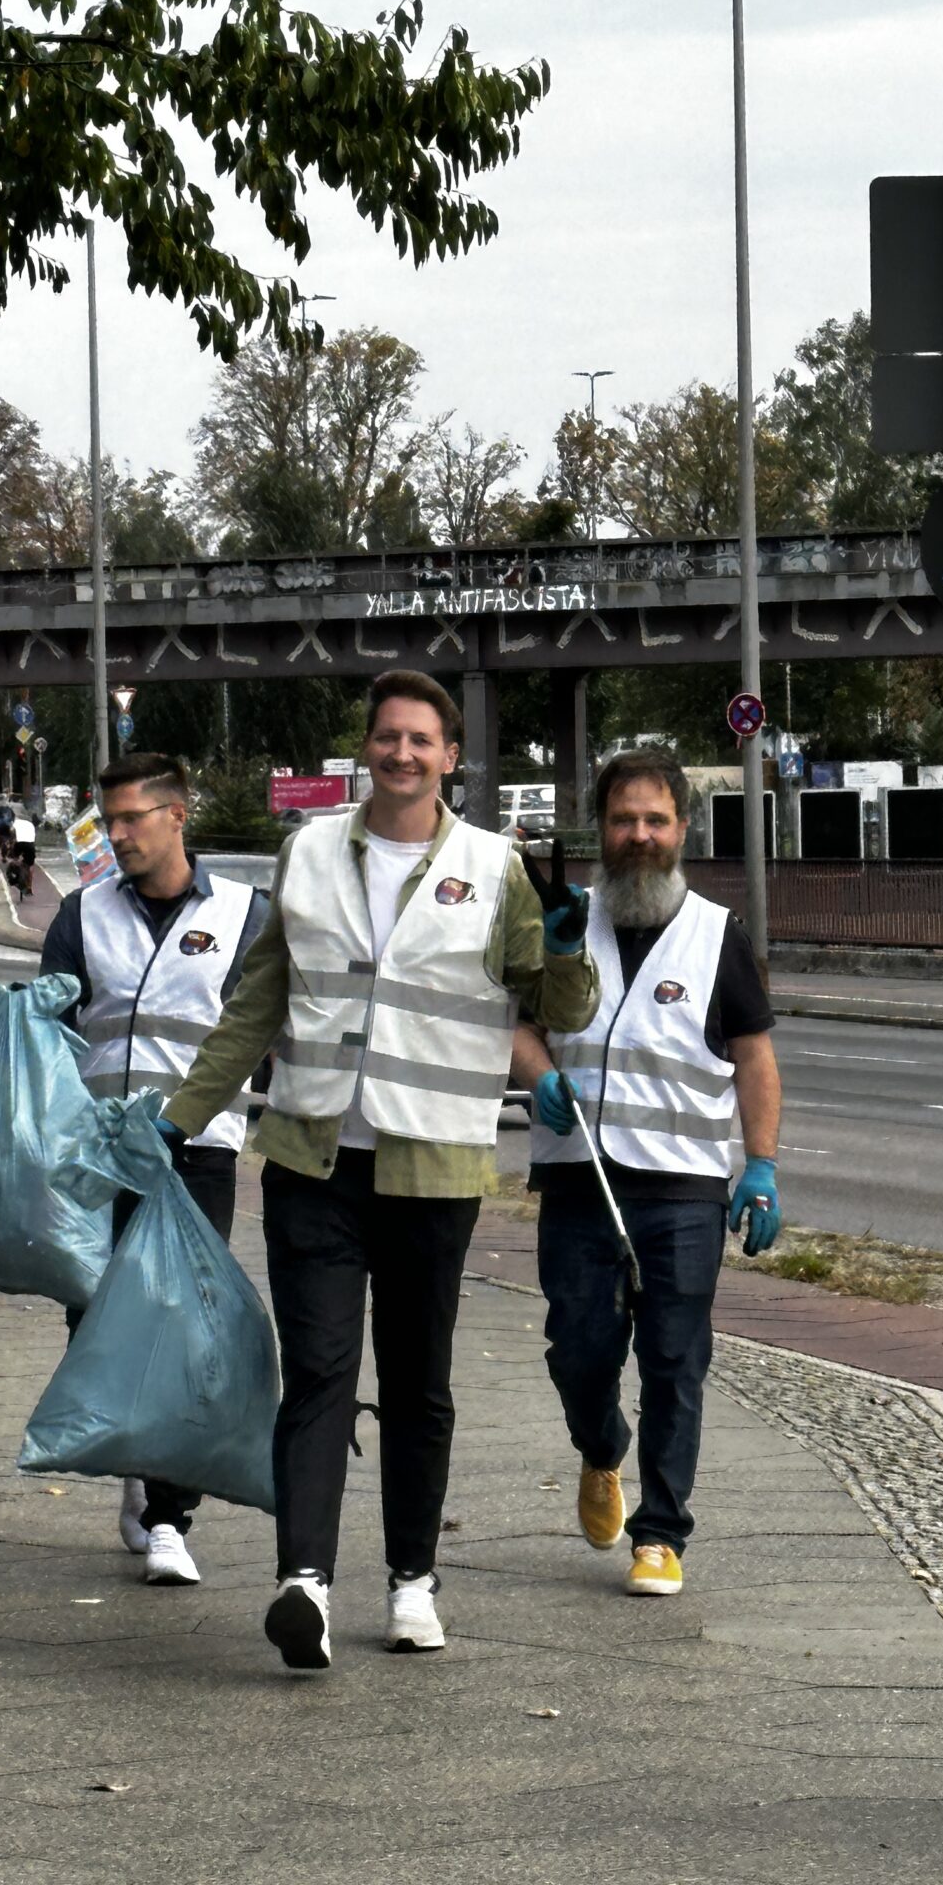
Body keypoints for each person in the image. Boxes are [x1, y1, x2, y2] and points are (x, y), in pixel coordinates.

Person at [161, 672, 597, 1670]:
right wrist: (179, 1118)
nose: (402, 753)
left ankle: (411, 1581)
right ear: (367, 747)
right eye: (388, 736)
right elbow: (258, 1003)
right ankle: (304, 1583)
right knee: (318, 1370)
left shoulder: (495, 867)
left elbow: (558, 1008)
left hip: (432, 1166)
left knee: (416, 1381)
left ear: (451, 757)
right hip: (312, 1159)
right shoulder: (309, 852)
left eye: (421, 740)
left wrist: (567, 951)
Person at [510, 746, 782, 1601]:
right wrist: (538, 1077)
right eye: (624, 819)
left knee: (674, 1361)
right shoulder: (563, 922)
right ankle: (601, 1447)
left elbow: (754, 1057)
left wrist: (761, 1165)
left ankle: (661, 1532)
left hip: (683, 1191)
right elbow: (520, 1027)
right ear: (601, 828)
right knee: (578, 1352)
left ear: (682, 829)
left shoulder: (717, 934)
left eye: (655, 820)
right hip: (579, 1181)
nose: (639, 835)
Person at [42, 752, 268, 1582]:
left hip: (196, 1154)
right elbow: (53, 1035)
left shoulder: (244, 915)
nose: (119, 835)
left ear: (178, 814)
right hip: (100, 1153)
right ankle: (138, 1465)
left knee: (180, 1324)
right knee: (99, 1325)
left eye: (133, 818)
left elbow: (264, 1028)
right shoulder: (81, 916)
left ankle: (172, 1517)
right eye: (109, 821)